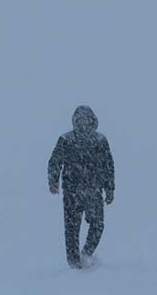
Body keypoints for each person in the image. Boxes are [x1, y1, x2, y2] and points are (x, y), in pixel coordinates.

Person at [48, 105, 115, 268]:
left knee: (97, 225)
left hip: (94, 191)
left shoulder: (100, 140)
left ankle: (86, 254)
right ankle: (73, 264)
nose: (83, 123)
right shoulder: (66, 139)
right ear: (74, 121)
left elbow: (108, 165)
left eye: (86, 119)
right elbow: (55, 161)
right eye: (79, 120)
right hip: (72, 192)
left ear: (92, 120)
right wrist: (53, 181)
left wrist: (110, 188)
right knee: (71, 229)